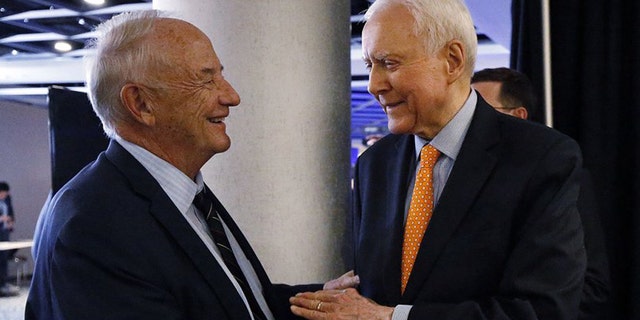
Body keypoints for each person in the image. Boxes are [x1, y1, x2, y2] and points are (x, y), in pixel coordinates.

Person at [26, 10, 356, 320]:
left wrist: (319, 297)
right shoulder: (96, 225)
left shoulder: (184, 192)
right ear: (141, 103)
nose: (231, 96)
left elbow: (234, 299)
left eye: (221, 76)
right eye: (206, 80)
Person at [290, 0, 586, 319]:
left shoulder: (541, 158)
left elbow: (542, 310)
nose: (375, 85)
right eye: (369, 66)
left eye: (389, 63)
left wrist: (393, 318)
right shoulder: (373, 165)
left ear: (452, 60)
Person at [472, 67, 611, 320]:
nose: (471, 123)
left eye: (483, 112)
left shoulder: (558, 172)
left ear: (519, 115)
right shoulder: (459, 177)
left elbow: (592, 285)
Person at [0, 181, 19, 297]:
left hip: (5, 231)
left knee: (4, 258)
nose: (4, 195)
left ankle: (3, 283)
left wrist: (11, 220)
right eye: (2, 193)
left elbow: (11, 212)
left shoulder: (7, 199)